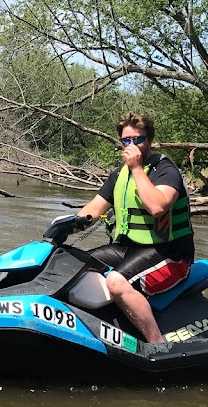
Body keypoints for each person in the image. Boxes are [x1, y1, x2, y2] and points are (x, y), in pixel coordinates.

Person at [76, 111, 194, 344]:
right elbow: (93, 209)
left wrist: (137, 168)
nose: (132, 145)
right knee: (73, 264)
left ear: (149, 140)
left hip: (170, 254)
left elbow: (158, 207)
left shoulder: (165, 170)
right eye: (126, 140)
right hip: (127, 248)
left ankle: (157, 344)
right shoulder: (118, 176)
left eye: (138, 139)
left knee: (116, 282)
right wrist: (64, 228)